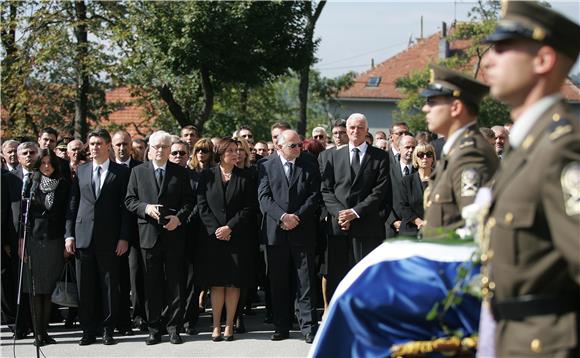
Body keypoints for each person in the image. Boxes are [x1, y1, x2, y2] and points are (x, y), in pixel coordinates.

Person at [481, 1, 580, 356]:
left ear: (543, 60)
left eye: (503, 48)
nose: (489, 60)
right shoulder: (527, 148)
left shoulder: (563, 149)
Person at [125, 130, 193, 345]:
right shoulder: (138, 172)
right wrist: (145, 208)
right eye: (156, 147)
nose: (160, 151)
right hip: (148, 235)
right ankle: (154, 328)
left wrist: (178, 219)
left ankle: (174, 327)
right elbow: (129, 200)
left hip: (173, 235)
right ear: (149, 149)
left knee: (174, 283)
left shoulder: (180, 172)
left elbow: (189, 202)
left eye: (165, 147)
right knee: (151, 284)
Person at [65, 129, 131, 346]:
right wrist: (69, 235)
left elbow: (125, 208)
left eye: (99, 143)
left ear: (108, 146)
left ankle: (107, 329)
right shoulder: (81, 170)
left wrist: (124, 237)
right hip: (83, 237)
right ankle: (88, 330)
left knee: (109, 285)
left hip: (110, 239)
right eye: (91, 143)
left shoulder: (120, 172)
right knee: (86, 286)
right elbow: (73, 205)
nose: (94, 147)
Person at [419, 65, 499, 237]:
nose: (425, 109)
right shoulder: (456, 150)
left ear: (456, 107)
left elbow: (474, 230)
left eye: (432, 102)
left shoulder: (470, 154)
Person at [258, 130, 320, 344]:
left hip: (302, 230)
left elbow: (314, 196)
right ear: (279, 147)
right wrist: (283, 217)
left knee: (305, 282)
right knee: (278, 282)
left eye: (299, 145)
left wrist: (296, 217)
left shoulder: (309, 164)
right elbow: (263, 197)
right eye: (293, 146)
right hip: (276, 232)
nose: (298, 149)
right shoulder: (265, 165)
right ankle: (281, 326)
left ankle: (308, 327)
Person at [321, 113, 391, 300]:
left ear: (367, 131)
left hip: (367, 227)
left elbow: (380, 191)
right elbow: (326, 190)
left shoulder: (380, 157)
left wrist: (355, 212)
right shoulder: (334, 156)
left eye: (360, 127)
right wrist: (340, 214)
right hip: (339, 228)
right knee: (338, 279)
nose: (355, 131)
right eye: (351, 127)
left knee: (365, 278)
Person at [196, 138, 257, 342]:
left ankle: (229, 325)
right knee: (216, 284)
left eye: (237, 150)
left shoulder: (245, 177)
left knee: (233, 283)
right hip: (213, 239)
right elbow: (202, 205)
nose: (235, 153)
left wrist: (230, 227)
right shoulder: (206, 176)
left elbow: (249, 207)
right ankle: (215, 326)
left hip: (237, 237)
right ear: (220, 154)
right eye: (230, 150)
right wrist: (216, 230)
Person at [20, 148, 70, 346]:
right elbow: (23, 216)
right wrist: (21, 242)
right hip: (33, 240)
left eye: (50, 163)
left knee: (48, 289)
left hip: (54, 240)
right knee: (34, 289)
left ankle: (44, 332)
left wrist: (68, 239)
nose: (46, 166)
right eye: (43, 163)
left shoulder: (64, 184)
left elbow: (68, 213)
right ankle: (37, 334)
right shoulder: (31, 182)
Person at [5, 142, 40, 339]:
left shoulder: (43, 175)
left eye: (32, 152)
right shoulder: (9, 179)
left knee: (35, 283)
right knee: (17, 283)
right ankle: (20, 324)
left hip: (39, 238)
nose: (28, 155)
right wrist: (8, 241)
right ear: (17, 157)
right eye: (24, 153)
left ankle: (38, 326)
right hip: (15, 239)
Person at [111, 130, 142, 336]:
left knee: (136, 276)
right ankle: (120, 318)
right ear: (112, 146)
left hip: (139, 232)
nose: (122, 148)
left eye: (125, 144)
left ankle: (139, 315)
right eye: (118, 144)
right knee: (117, 278)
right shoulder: (109, 170)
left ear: (131, 146)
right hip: (114, 233)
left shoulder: (141, 169)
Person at [399, 144, 436, 236]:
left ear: (433, 158)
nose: (425, 157)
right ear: (416, 158)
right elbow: (403, 206)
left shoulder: (441, 179)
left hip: (435, 230)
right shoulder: (407, 181)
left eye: (429, 154)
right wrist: (419, 222)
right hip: (411, 230)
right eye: (420, 154)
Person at [386, 135, 416, 238]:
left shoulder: (420, 172)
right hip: (392, 228)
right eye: (407, 147)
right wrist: (393, 221)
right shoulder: (387, 171)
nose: (411, 150)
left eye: (413, 147)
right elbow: (382, 199)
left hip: (414, 228)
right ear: (399, 148)